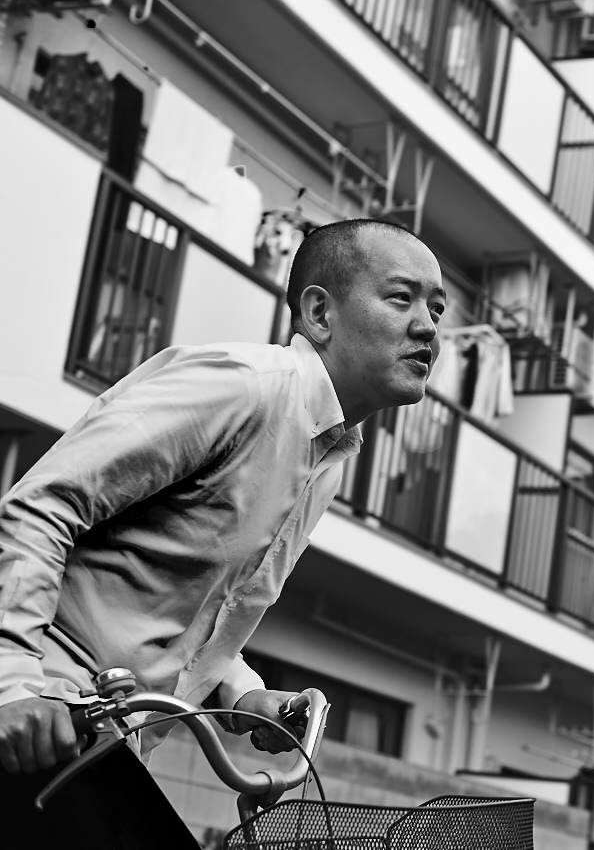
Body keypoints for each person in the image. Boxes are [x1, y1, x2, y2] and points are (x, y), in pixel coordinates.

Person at [0, 218, 446, 846]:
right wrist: (11, 681)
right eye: (402, 298)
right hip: (38, 714)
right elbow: (42, 504)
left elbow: (201, 610)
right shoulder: (241, 387)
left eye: (436, 308)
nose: (428, 327)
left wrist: (244, 698)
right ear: (320, 313)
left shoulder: (329, 455)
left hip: (100, 739)